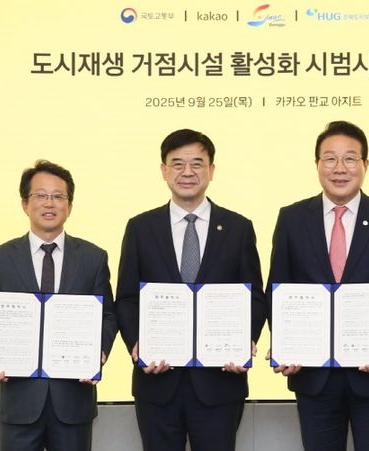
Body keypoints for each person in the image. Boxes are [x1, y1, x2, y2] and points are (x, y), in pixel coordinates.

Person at [266, 120, 369, 451]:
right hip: (313, 376)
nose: (339, 168)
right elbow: (278, 290)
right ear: (317, 164)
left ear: (365, 165)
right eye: (330, 158)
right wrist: (286, 345)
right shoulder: (292, 218)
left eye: (350, 158)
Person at [116, 129, 267, 451]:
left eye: (197, 164)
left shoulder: (238, 228)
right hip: (157, 381)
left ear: (211, 170)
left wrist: (244, 341)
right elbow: (127, 297)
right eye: (177, 164)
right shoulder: (140, 228)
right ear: (163, 170)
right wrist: (137, 344)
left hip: (220, 382)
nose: (187, 172)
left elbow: (254, 295)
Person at [0, 160, 118, 451]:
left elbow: (108, 315)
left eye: (58, 196)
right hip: (18, 400)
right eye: (40, 195)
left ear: (69, 206)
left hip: (73, 400)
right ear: (25, 204)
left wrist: (98, 354)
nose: (49, 203)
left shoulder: (93, 257)